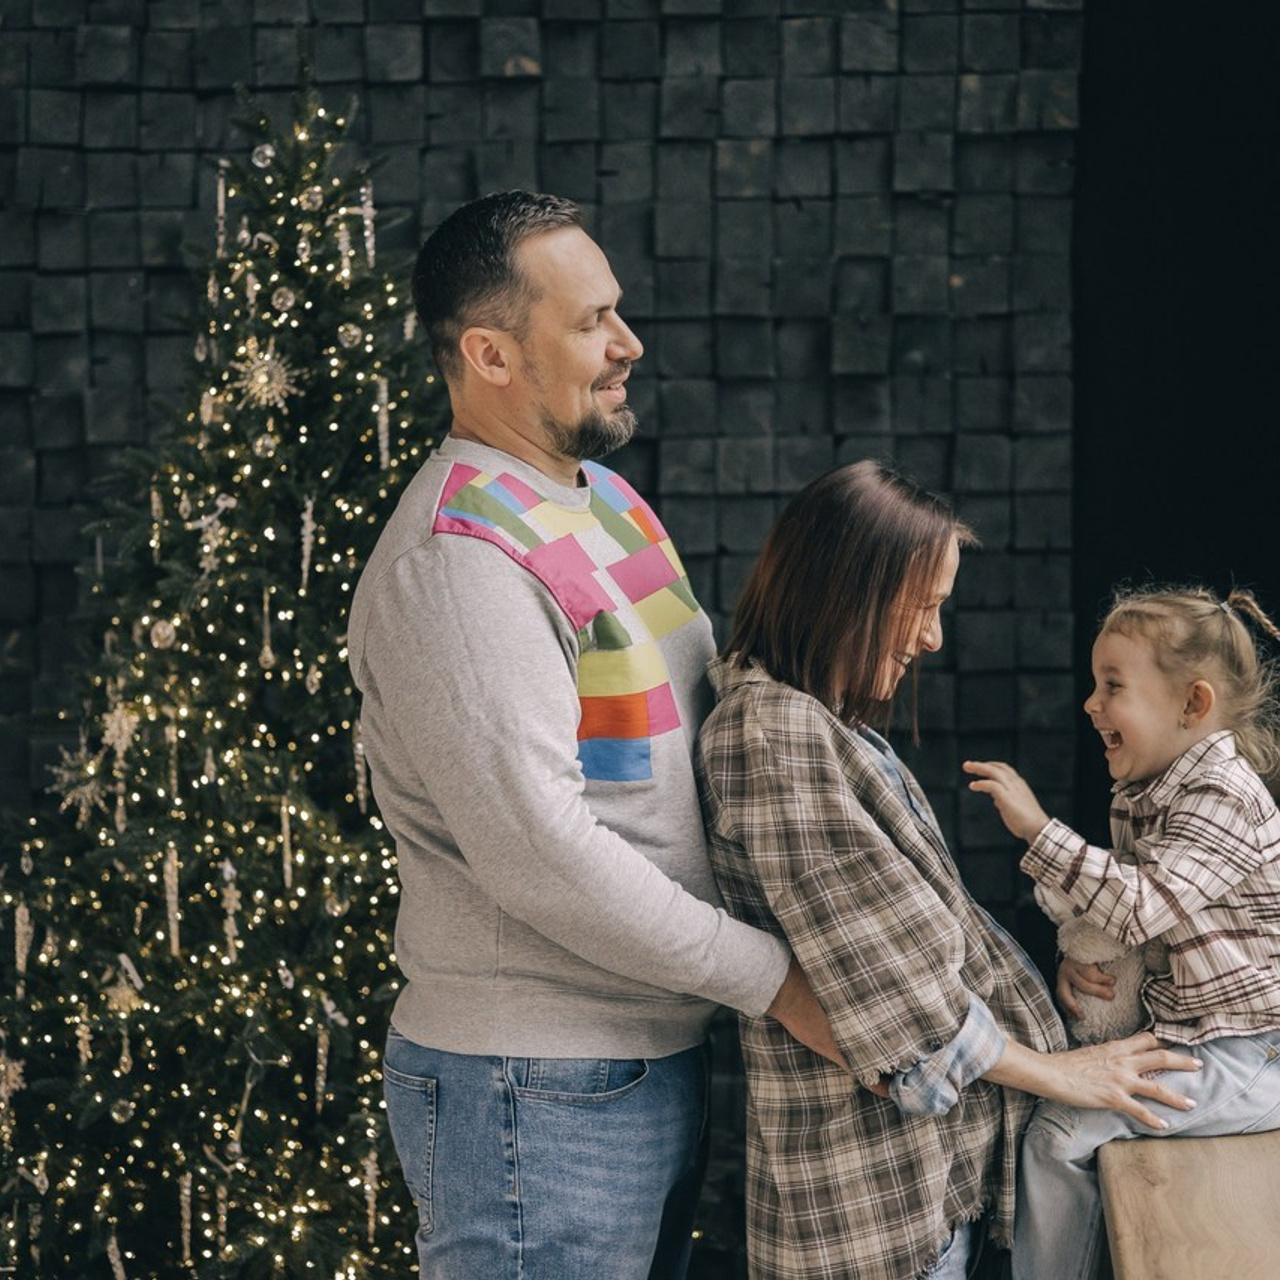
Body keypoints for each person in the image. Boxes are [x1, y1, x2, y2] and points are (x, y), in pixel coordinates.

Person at [346, 190, 835, 1278]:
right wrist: (772, 979)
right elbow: (540, 851)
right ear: (489, 353)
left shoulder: (603, 500)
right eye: (588, 321)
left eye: (615, 310)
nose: (628, 343)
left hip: (644, 1056)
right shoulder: (458, 563)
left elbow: (705, 734)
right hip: (532, 1082)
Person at [694, 461, 1200, 1280]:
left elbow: (933, 943)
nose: (932, 638)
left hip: (923, 1195)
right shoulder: (773, 735)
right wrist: (1066, 1074)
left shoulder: (827, 726)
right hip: (870, 1218)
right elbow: (903, 1014)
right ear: (847, 591)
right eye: (921, 607)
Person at [965, 585, 1280, 1280]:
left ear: (1192, 705)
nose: (1090, 704)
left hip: (1252, 1052)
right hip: (1199, 1034)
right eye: (1092, 684)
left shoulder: (1223, 793)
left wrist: (1036, 829)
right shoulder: (1155, 791)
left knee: (1058, 1135)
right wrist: (1076, 958)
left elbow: (1142, 905)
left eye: (1113, 686)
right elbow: (1117, 917)